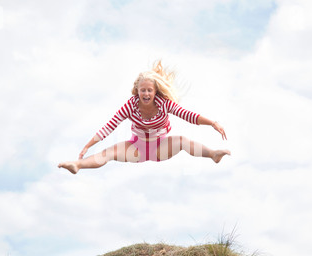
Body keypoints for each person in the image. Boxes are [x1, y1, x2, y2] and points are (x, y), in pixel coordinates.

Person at [58, 61, 230, 174]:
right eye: (143, 90)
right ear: (137, 91)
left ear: (155, 92)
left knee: (183, 140)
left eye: (149, 90)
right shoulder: (131, 105)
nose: (146, 93)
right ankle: (77, 165)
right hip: (136, 149)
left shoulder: (164, 104)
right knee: (108, 153)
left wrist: (213, 123)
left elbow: (188, 115)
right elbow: (110, 126)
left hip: (161, 148)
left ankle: (213, 154)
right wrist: (88, 146)